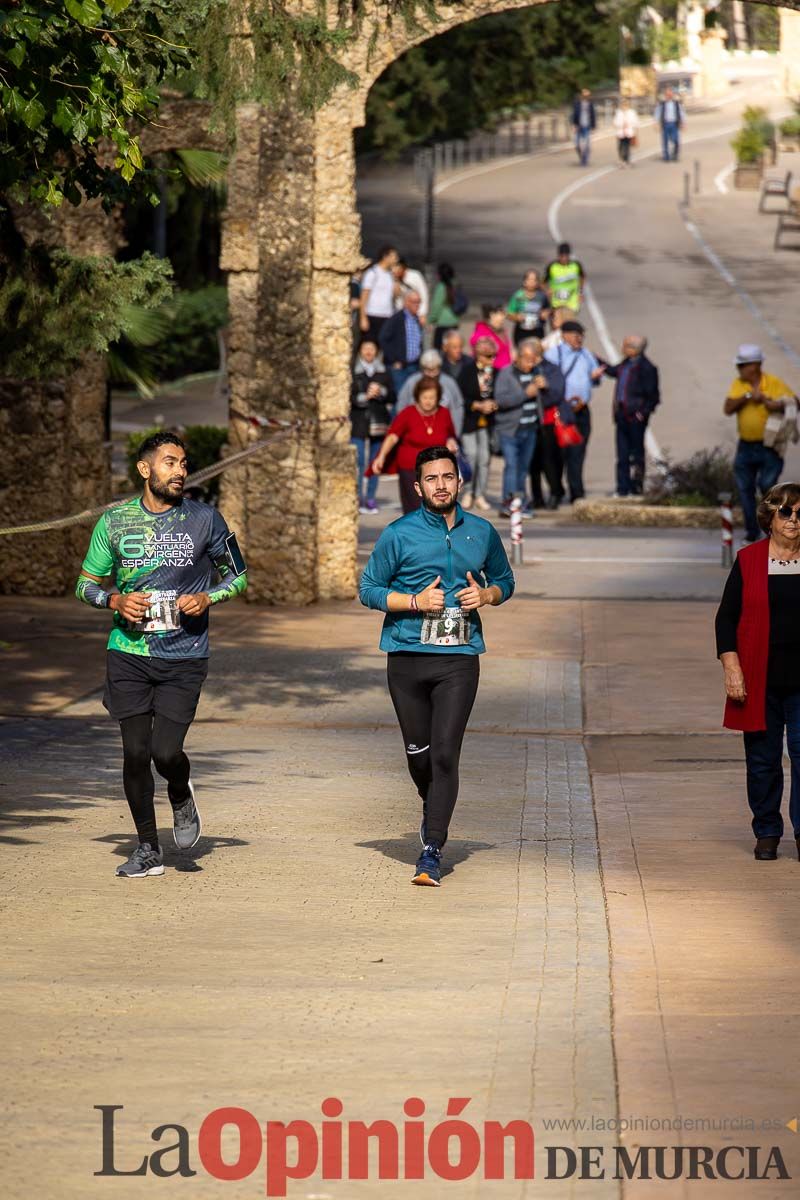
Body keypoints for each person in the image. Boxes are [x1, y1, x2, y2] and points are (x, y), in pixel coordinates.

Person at [75, 432, 248, 878]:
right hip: (128, 652)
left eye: (184, 464)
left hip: (184, 654)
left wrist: (210, 597)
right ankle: (148, 848)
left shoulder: (206, 519)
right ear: (145, 469)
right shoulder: (114, 523)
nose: (180, 471)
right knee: (135, 754)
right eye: (170, 463)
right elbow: (85, 584)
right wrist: (113, 601)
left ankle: (179, 789)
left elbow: (239, 576)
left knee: (165, 752)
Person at [359, 446, 515, 886]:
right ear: (418, 486)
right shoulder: (398, 534)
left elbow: (505, 580)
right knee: (419, 755)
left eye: (448, 476)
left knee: (445, 754)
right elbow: (368, 589)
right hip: (407, 658)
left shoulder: (481, 532)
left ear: (459, 481)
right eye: (432, 478)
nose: (441, 485)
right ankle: (436, 810)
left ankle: (431, 849)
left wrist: (486, 596)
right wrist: (414, 601)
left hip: (459, 659)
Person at [715, 483, 800, 861]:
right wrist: (731, 668)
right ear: (770, 517)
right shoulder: (749, 560)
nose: (794, 520)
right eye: (786, 512)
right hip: (759, 680)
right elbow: (726, 619)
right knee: (763, 762)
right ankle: (767, 830)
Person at [724, 344, 798, 544]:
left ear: (755, 365)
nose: (740, 370)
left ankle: (771, 532)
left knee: (768, 488)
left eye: (743, 365)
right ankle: (751, 532)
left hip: (769, 447)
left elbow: (795, 401)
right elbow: (728, 407)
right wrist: (748, 396)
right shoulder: (739, 384)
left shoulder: (773, 383)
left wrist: (776, 404)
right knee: (745, 488)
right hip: (746, 446)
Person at [494, 338, 565, 516]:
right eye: (527, 359)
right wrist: (525, 394)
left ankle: (521, 502)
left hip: (531, 429)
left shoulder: (538, 371)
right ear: (518, 357)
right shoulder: (506, 373)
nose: (530, 363)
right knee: (511, 466)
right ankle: (508, 503)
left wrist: (545, 387)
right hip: (510, 430)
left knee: (523, 468)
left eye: (534, 359)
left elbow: (549, 398)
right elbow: (501, 400)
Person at [371, 377, 459, 514]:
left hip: (436, 468)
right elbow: (393, 436)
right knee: (415, 508)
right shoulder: (408, 413)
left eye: (432, 397)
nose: (428, 401)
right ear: (418, 397)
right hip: (410, 468)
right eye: (425, 397)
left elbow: (451, 434)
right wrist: (381, 456)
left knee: (437, 506)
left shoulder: (444, 413)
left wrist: (451, 442)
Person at [544, 320, 606, 503]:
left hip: (582, 409)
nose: (578, 338)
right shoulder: (555, 354)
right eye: (574, 334)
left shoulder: (586, 354)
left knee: (578, 451)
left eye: (581, 335)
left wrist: (594, 377)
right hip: (562, 409)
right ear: (563, 335)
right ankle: (556, 491)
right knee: (558, 453)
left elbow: (595, 379)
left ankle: (576, 492)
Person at [442, 330, 497, 511]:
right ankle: (468, 492)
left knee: (485, 458)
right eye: (486, 355)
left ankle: (480, 493)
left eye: (492, 355)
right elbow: (460, 398)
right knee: (471, 456)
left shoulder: (496, 373)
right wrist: (476, 405)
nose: (489, 359)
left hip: (487, 423)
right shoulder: (467, 370)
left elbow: (501, 394)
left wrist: (493, 404)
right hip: (469, 421)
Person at [602, 335, 660, 497]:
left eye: (626, 345)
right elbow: (613, 371)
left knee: (636, 454)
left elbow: (653, 397)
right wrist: (595, 359)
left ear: (635, 349)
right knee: (622, 454)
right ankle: (622, 487)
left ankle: (636, 486)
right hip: (621, 415)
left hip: (635, 418)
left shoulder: (647, 368)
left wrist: (642, 413)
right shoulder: (626, 364)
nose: (623, 348)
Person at [351, 339, 392, 513]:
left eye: (372, 349)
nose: (368, 352)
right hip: (359, 421)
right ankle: (357, 497)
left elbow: (393, 396)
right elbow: (349, 397)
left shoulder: (383, 373)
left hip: (378, 422)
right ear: (360, 351)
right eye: (365, 348)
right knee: (358, 460)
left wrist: (381, 392)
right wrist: (364, 396)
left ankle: (371, 498)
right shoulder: (353, 372)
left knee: (375, 461)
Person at [396, 348, 465, 436]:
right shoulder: (412, 382)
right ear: (422, 368)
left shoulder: (449, 383)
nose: (432, 374)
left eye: (435, 370)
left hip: (443, 433)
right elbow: (402, 405)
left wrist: (454, 433)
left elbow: (457, 408)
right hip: (415, 432)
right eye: (428, 370)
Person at [379, 290, 424, 398]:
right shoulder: (396, 319)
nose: (417, 305)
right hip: (400, 367)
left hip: (414, 366)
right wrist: (394, 360)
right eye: (414, 302)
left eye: (418, 302)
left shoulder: (416, 319)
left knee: (414, 397)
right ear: (406, 302)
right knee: (402, 397)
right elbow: (383, 338)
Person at [359, 245, 399, 342]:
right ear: (385, 257)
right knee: (370, 343)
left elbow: (396, 294)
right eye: (394, 257)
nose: (396, 259)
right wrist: (363, 317)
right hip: (372, 314)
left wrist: (395, 277)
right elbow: (364, 296)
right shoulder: (373, 273)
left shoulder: (390, 275)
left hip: (387, 315)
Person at [507, 271, 551, 346]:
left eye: (534, 280)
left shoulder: (542, 296)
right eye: (529, 279)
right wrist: (516, 317)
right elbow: (509, 314)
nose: (532, 282)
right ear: (524, 282)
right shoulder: (518, 296)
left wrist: (545, 314)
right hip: (521, 331)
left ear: (537, 282)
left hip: (538, 331)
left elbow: (549, 310)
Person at [429, 263, 465, 351]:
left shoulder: (441, 287)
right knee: (452, 349)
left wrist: (431, 320)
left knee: (439, 350)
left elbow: (437, 306)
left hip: (442, 324)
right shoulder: (456, 285)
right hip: (454, 322)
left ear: (440, 275)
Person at [543, 243, 585, 314]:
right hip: (556, 302)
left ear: (569, 255)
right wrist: (547, 290)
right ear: (558, 255)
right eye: (562, 256)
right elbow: (542, 282)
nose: (564, 258)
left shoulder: (576, 266)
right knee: (557, 324)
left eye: (566, 256)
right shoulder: (552, 266)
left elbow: (582, 277)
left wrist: (580, 292)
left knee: (569, 323)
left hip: (572, 302)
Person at [469, 303, 513, 370]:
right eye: (501, 314)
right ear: (492, 315)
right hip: (491, 373)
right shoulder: (481, 333)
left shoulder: (501, 330)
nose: (504, 317)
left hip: (504, 372)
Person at [393, 257, 429, 324]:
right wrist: (396, 281)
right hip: (401, 314)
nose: (395, 270)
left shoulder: (415, 275)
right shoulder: (393, 279)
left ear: (403, 267)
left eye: (397, 267)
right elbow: (396, 299)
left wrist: (422, 313)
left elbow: (424, 294)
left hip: (416, 313)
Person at [655, 87, 684, 162]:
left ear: (672, 95)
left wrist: (683, 123)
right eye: (667, 94)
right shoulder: (662, 104)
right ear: (665, 95)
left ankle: (675, 155)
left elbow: (681, 113)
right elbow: (657, 113)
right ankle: (666, 157)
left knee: (675, 140)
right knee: (665, 141)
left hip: (674, 124)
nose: (669, 95)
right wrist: (656, 123)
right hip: (665, 124)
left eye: (670, 94)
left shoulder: (676, 103)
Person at [571, 88, 596, 167]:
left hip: (587, 126)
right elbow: (574, 115)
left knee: (586, 144)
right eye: (584, 94)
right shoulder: (577, 104)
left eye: (587, 95)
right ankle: (581, 156)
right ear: (581, 95)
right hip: (579, 126)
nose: (585, 96)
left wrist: (593, 127)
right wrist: (574, 125)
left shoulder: (590, 104)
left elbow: (593, 116)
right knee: (577, 144)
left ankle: (584, 160)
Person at [613, 96, 639, 167]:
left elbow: (636, 122)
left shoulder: (632, 112)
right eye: (623, 104)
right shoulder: (618, 112)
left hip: (629, 132)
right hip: (621, 132)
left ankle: (627, 160)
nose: (624, 106)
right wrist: (621, 124)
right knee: (621, 146)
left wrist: (635, 130)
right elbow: (615, 122)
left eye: (626, 104)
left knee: (627, 146)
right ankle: (622, 159)